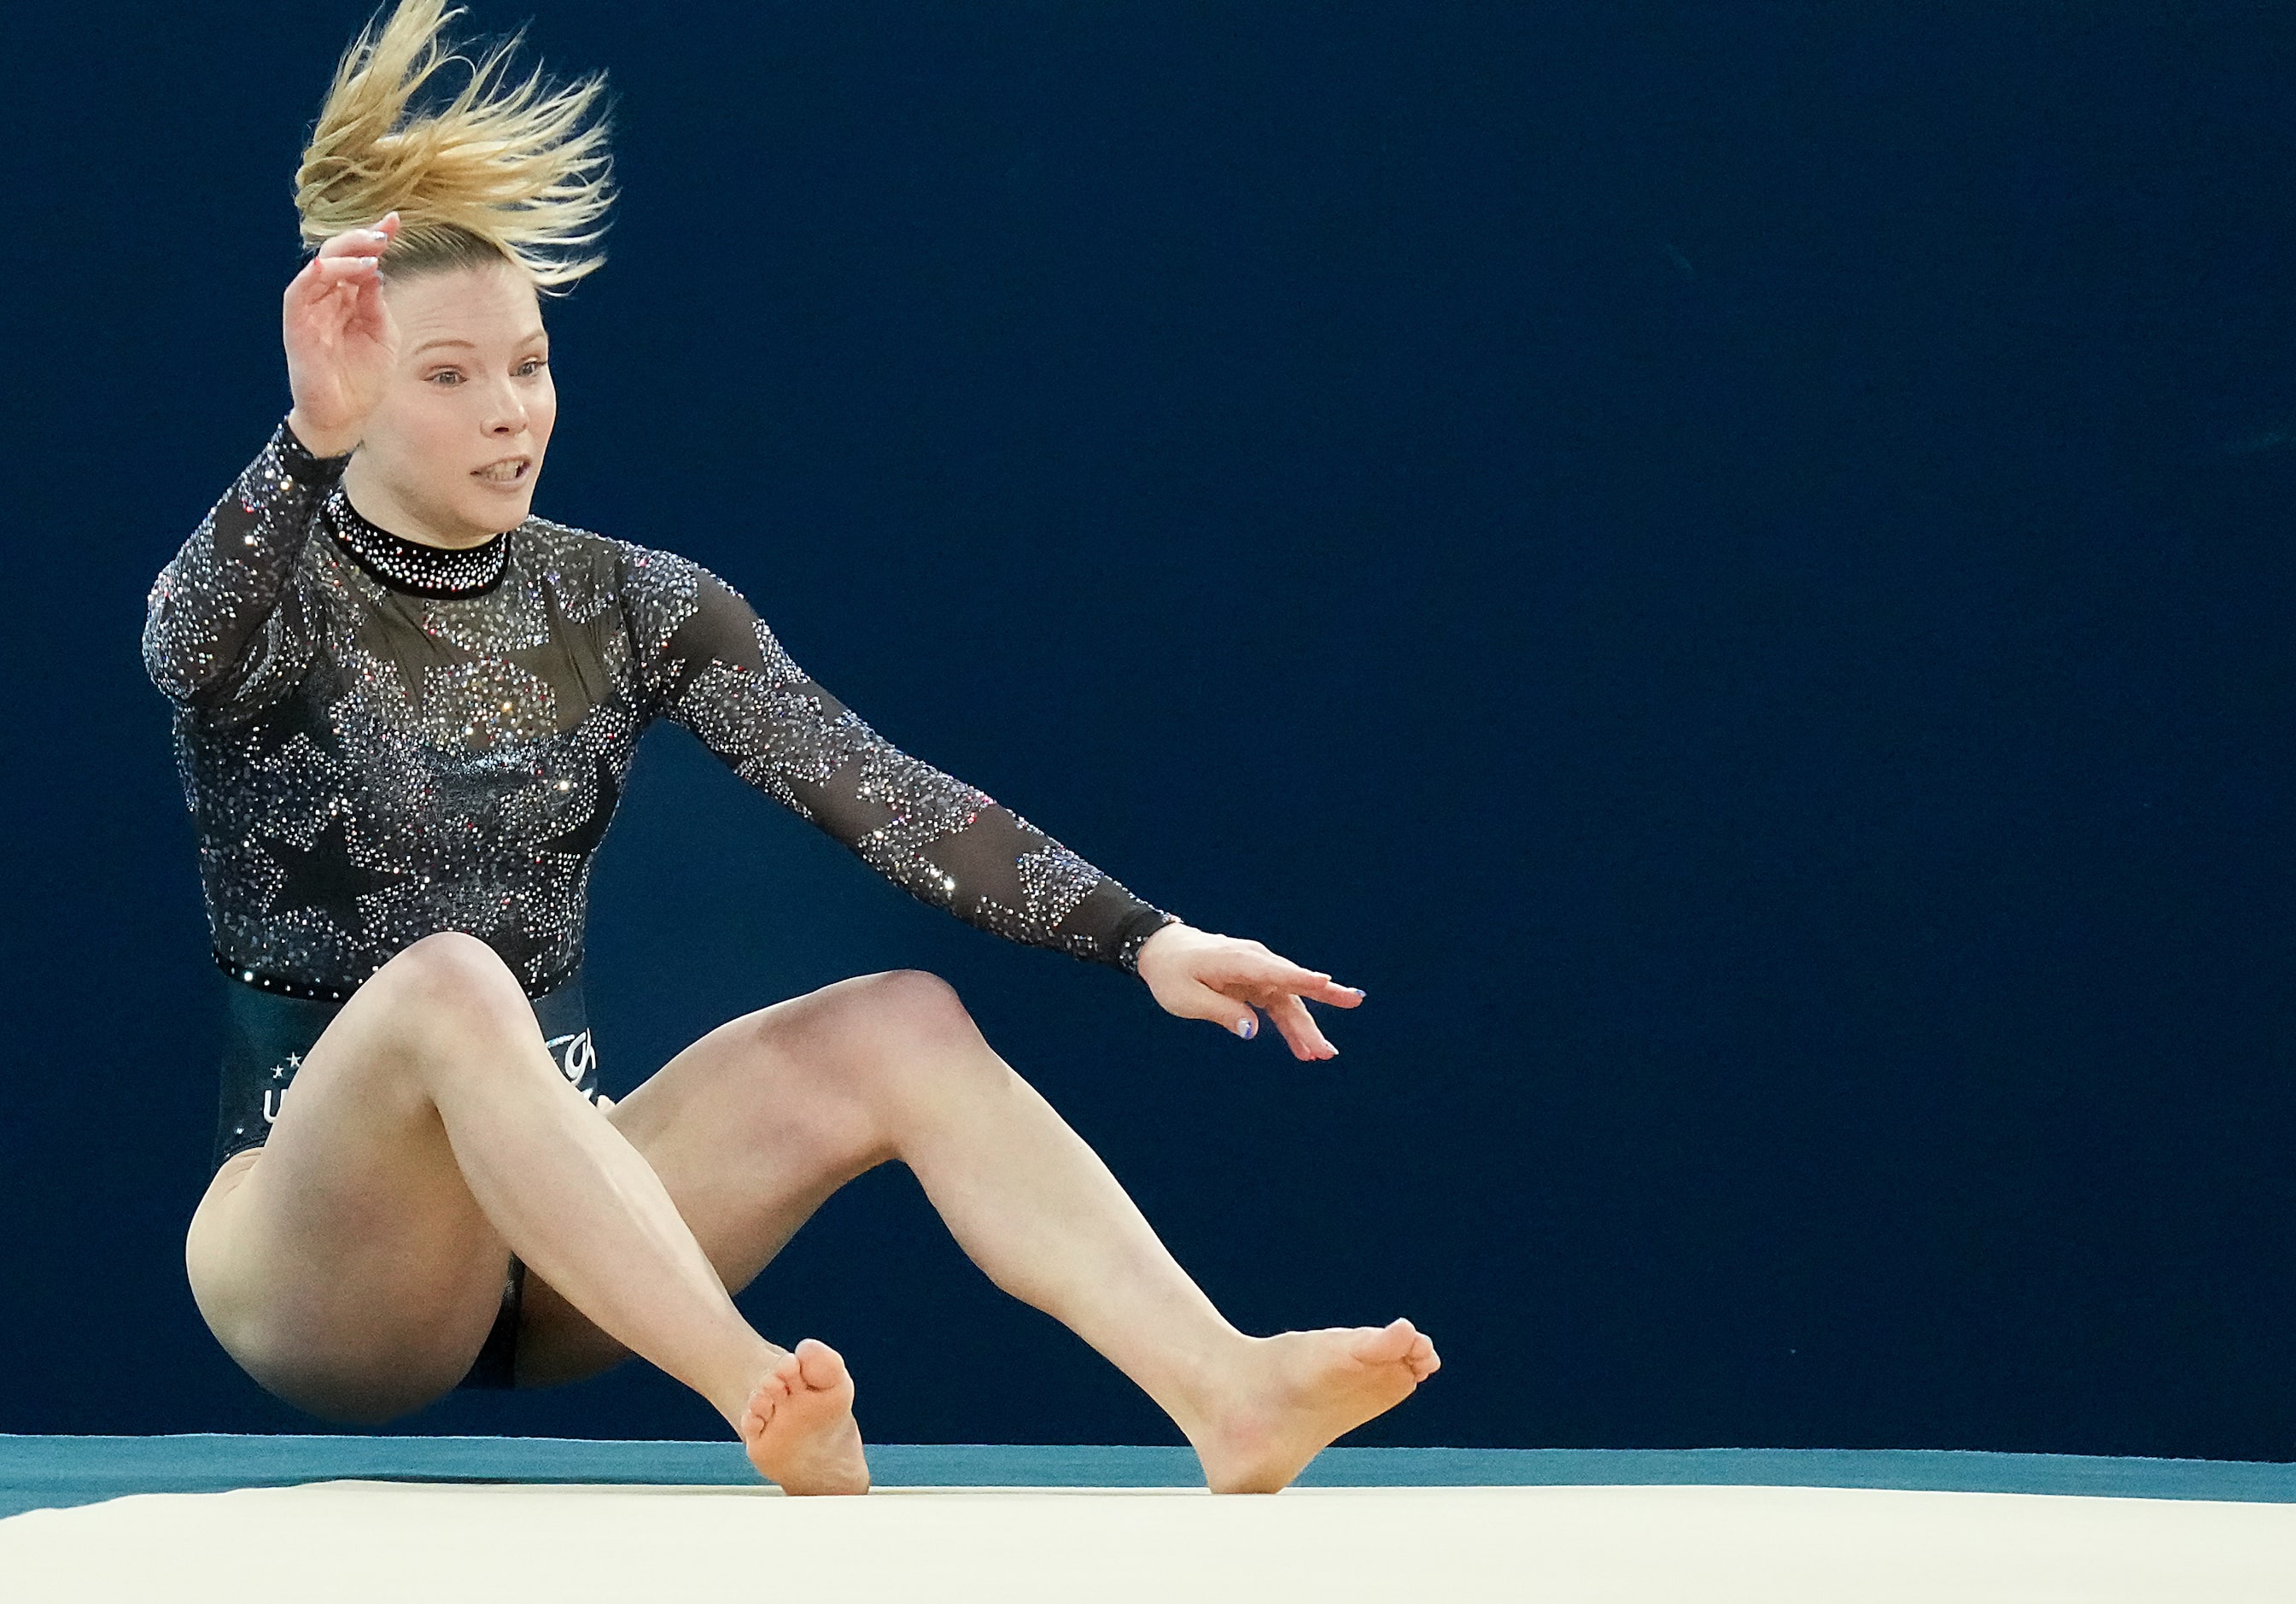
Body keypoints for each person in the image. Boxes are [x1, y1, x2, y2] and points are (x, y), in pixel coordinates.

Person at [144, 0, 1436, 1496]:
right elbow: (182, 649)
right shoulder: (276, 589)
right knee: (448, 977)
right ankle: (758, 1389)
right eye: (449, 378)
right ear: (352, 387)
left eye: (531, 364)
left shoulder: (629, 602)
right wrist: (298, 447)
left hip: (574, 1222)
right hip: (326, 1262)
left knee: (900, 1017)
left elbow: (882, 794)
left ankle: (1226, 1388)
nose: (511, 416)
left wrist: (1144, 937)